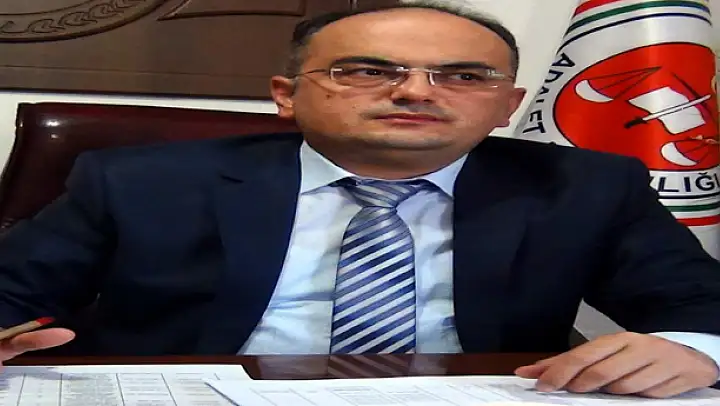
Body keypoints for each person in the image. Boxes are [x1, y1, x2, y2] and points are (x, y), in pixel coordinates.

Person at [0, 1, 719, 399]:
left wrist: (694, 349)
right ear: (286, 95)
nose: (414, 93)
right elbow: (12, 291)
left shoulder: (586, 184)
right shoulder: (140, 180)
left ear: (508, 105)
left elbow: (699, 304)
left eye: (463, 76)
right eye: (368, 71)